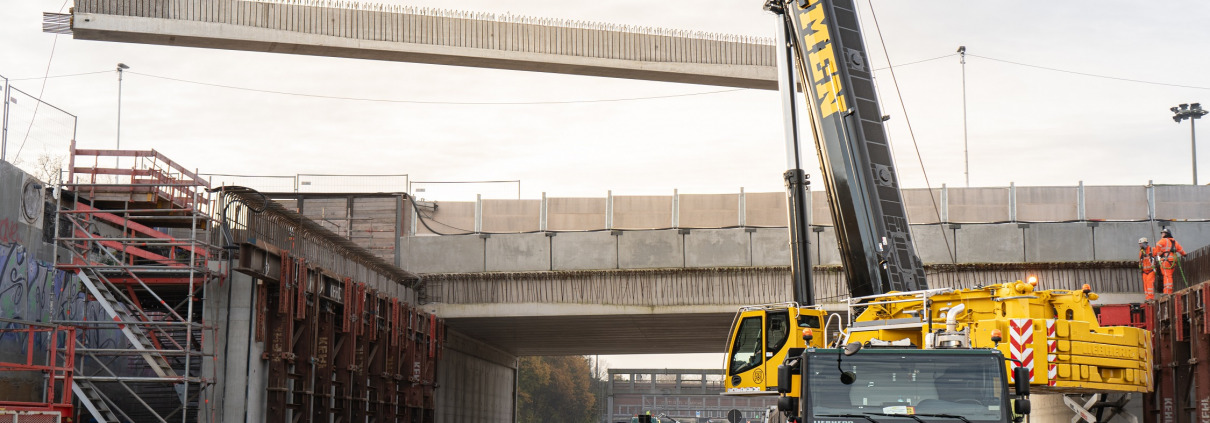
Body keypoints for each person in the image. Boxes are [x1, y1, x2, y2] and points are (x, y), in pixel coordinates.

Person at [1154, 228, 1187, 295]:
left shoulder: (1163, 241)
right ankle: (1168, 291)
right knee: (1169, 275)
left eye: (1162, 233)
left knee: (1167, 276)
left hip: (1166, 261)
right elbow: (1180, 250)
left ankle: (1167, 292)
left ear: (1165, 234)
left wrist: (1157, 253)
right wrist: (1184, 254)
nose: (1161, 235)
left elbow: (1157, 248)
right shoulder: (1174, 242)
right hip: (1173, 261)